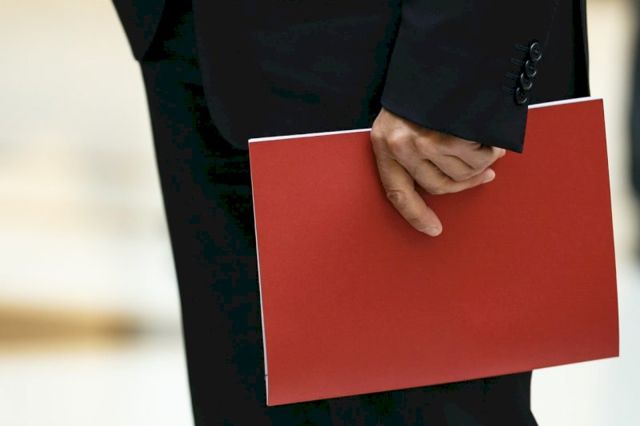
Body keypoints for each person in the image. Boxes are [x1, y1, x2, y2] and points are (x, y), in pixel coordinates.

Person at [112, 0, 590, 424]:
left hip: (388, 63)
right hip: (191, 39)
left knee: (427, 407)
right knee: (242, 399)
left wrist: (457, 62)